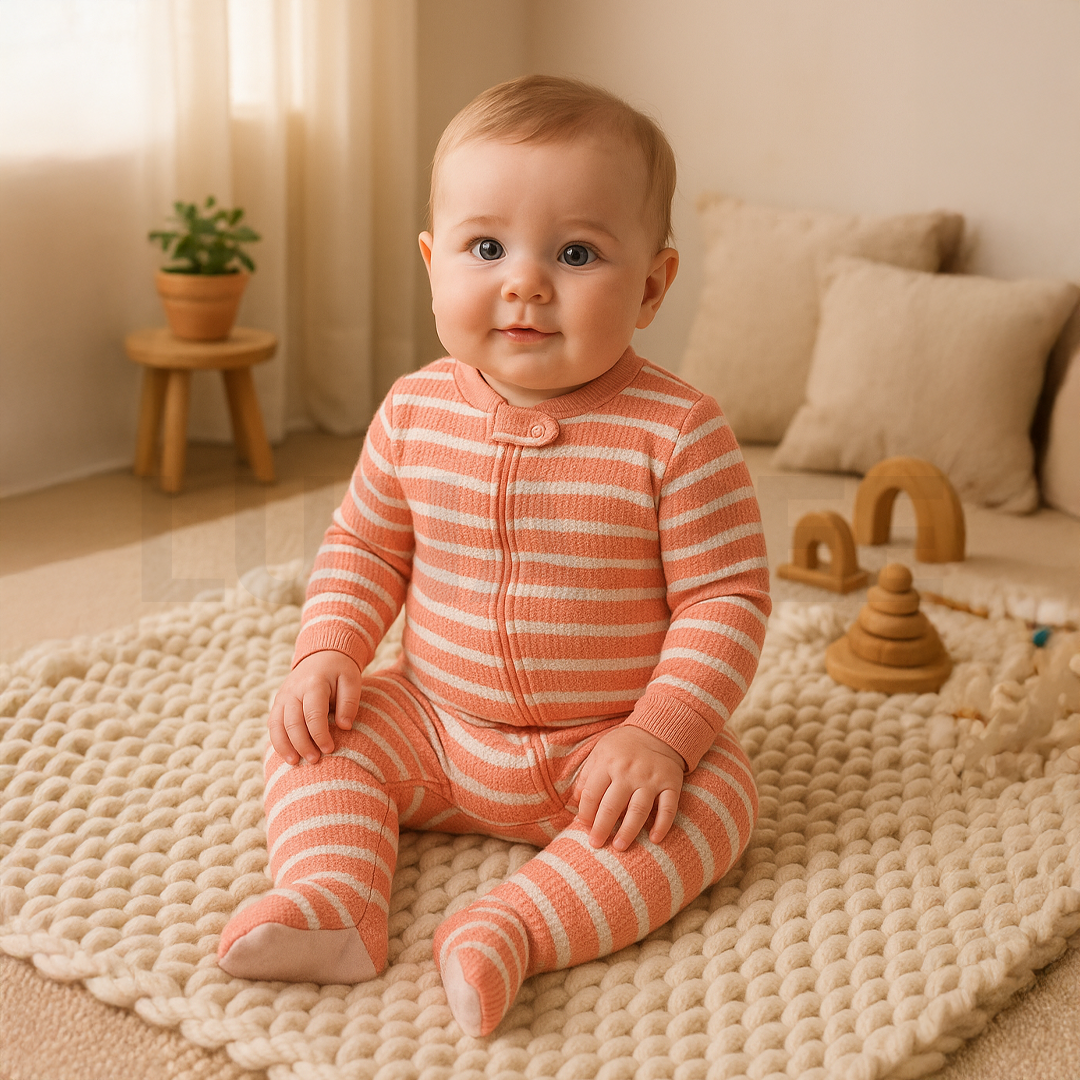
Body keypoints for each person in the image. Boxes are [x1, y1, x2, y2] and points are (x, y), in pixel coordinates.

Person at [217, 74, 770, 1038]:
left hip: (602, 750)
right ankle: (334, 898)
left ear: (651, 285)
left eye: (576, 252)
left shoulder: (678, 433)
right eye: (486, 247)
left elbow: (726, 599)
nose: (526, 281)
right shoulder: (415, 411)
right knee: (316, 732)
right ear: (434, 264)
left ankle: (513, 925)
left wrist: (661, 732)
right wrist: (329, 653)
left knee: (719, 797)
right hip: (434, 724)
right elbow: (365, 547)